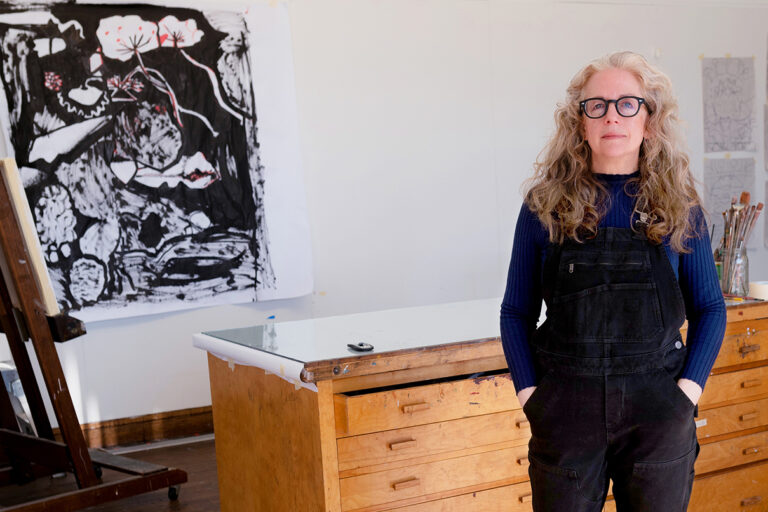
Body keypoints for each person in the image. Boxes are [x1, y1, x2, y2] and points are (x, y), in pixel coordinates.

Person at [499, 51, 726, 511]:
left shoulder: (681, 207)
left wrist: (686, 395)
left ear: (649, 120)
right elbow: (515, 312)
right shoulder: (544, 207)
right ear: (580, 122)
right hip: (565, 412)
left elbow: (710, 308)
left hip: (658, 412)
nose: (611, 116)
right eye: (596, 105)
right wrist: (531, 396)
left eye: (628, 103)